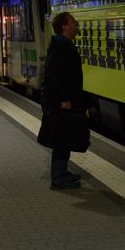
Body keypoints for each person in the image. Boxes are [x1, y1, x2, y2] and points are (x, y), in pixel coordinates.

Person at [39, 11, 89, 190]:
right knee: (61, 139)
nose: (77, 25)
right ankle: (58, 178)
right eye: (73, 22)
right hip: (61, 102)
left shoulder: (62, 44)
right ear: (65, 26)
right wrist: (64, 99)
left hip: (62, 100)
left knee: (65, 137)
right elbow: (57, 76)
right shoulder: (62, 46)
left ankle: (62, 173)